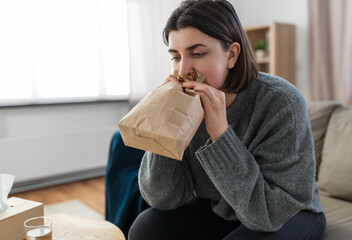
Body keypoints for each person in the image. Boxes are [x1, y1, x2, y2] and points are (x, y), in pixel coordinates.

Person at [128, 0, 326, 239]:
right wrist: (163, 124)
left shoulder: (282, 102)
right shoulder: (185, 104)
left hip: (287, 213)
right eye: (176, 57)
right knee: (145, 228)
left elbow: (269, 215)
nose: (183, 71)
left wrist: (220, 134)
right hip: (221, 206)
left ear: (231, 55)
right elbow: (163, 199)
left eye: (198, 53)